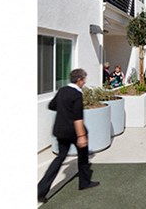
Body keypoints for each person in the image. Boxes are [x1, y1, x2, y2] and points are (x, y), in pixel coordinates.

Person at [37, 68, 99, 202]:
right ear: (79, 80)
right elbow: (78, 118)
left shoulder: (62, 90)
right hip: (74, 132)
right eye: (84, 80)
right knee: (83, 157)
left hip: (60, 130)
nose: (84, 82)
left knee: (60, 158)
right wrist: (81, 136)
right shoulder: (77, 95)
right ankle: (84, 183)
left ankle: (41, 189)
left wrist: (64, 110)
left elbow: (52, 105)